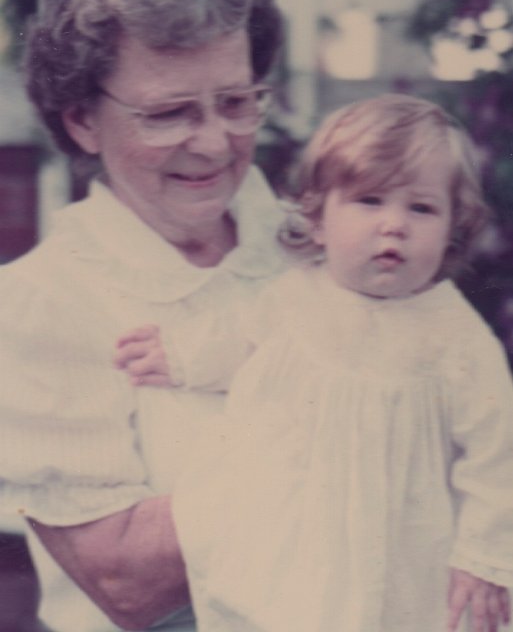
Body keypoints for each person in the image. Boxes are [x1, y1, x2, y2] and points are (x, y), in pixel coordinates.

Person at [116, 95, 513, 632]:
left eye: (421, 208)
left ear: (450, 232)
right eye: (370, 201)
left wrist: (484, 556)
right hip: (293, 529)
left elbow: (497, 453)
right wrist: (180, 354)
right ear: (319, 219)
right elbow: (237, 339)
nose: (394, 225)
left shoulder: (457, 337)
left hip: (399, 548)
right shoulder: (294, 297)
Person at [0, 0, 287, 632]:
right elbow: (127, 581)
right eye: (169, 113)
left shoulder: (315, 248)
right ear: (82, 122)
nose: (215, 142)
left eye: (236, 101)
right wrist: (359, 429)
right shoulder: (42, 305)